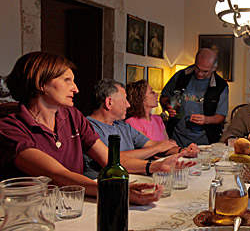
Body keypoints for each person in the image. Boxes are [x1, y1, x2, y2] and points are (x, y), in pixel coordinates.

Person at [0, 52, 185, 205]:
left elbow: (108, 160)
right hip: (30, 215)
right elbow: (56, 174)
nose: (76, 89)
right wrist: (116, 190)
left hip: (71, 205)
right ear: (40, 83)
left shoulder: (72, 115)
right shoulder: (10, 127)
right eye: (67, 80)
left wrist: (155, 166)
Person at [84, 79, 196, 179]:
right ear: (109, 102)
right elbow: (113, 160)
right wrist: (156, 154)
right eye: (124, 100)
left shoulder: (122, 126)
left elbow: (152, 145)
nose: (128, 105)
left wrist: (183, 151)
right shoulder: (89, 127)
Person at [159, 48, 228, 146]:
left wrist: (206, 120)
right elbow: (164, 97)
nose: (199, 74)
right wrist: (168, 106)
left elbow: (221, 116)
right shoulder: (181, 76)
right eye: (197, 68)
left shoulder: (221, 86)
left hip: (205, 142)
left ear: (214, 68)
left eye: (205, 71)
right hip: (176, 139)